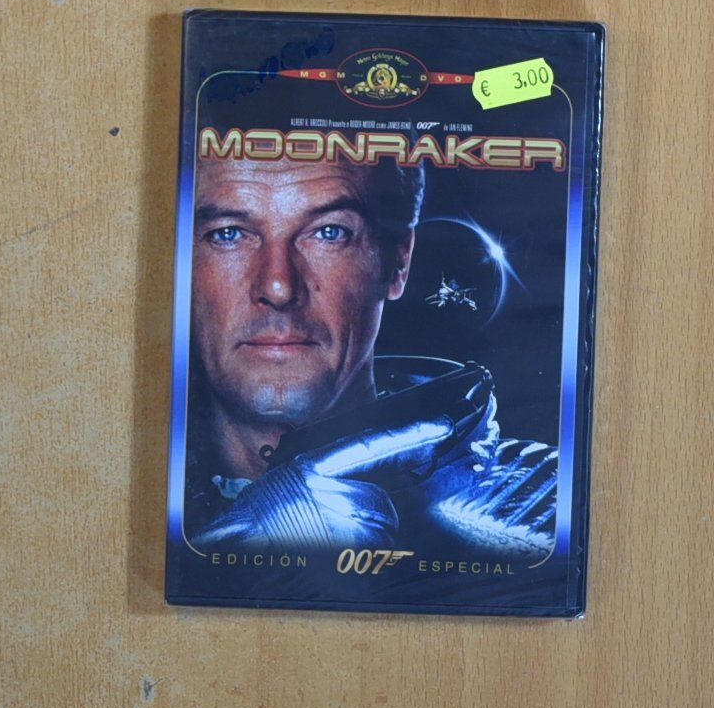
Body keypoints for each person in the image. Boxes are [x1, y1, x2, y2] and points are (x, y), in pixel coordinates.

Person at [184, 151, 557, 560]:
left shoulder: (540, 520)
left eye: (329, 232)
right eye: (228, 234)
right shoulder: (144, 494)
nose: (278, 287)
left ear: (398, 262)